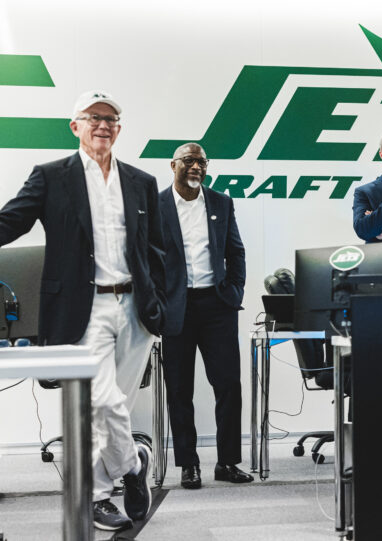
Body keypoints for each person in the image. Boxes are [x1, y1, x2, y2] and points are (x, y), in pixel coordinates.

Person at [0, 90, 164, 531]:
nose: (102, 125)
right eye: (93, 118)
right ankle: (130, 468)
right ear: (75, 126)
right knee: (102, 400)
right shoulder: (52, 176)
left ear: (119, 129)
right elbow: (11, 220)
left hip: (135, 308)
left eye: (111, 119)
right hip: (84, 307)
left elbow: (157, 248)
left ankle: (102, 493)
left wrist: (162, 303)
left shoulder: (140, 181)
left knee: (114, 408)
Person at [158, 143, 251, 489]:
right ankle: (188, 464)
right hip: (177, 307)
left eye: (202, 161)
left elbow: (235, 251)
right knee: (179, 389)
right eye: (189, 160)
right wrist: (157, 303)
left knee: (228, 385)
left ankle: (227, 462)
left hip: (217, 306)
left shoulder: (221, 203)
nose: (196, 166)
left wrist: (235, 292)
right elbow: (148, 258)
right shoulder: (157, 205)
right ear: (173, 165)